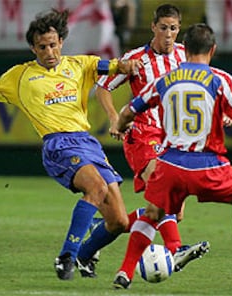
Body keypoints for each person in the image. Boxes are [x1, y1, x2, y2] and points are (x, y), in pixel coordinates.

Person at [0, 8, 143, 281]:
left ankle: (83, 253)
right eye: (42, 47)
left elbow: (115, 66)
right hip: (58, 145)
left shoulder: (81, 65)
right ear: (33, 48)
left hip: (88, 143)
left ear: (61, 43)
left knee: (119, 221)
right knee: (97, 188)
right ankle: (66, 255)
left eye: (53, 45)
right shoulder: (19, 76)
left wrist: (128, 66)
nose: (49, 51)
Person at [112, 23, 232, 289]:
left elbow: (129, 111)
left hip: (169, 166)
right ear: (213, 50)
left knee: (154, 212)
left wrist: (119, 127)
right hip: (208, 166)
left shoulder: (165, 80)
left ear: (184, 49)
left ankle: (125, 271)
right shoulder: (219, 79)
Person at [77, 4, 210, 278]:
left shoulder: (186, 56)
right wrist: (115, 118)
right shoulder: (137, 58)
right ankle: (176, 247)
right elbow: (103, 87)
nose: (169, 34)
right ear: (153, 27)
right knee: (162, 192)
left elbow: (206, 84)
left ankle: (104, 228)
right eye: (163, 28)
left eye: (174, 28)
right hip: (142, 135)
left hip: (172, 139)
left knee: (169, 212)